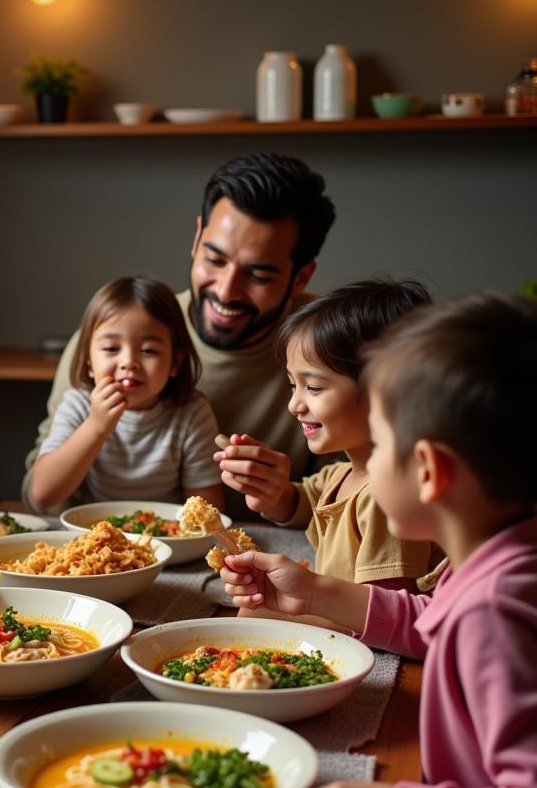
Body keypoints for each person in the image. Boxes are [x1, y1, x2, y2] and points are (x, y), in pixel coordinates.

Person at [219, 293, 537, 788]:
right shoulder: (495, 561)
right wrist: (316, 594)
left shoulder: (497, 609)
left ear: (427, 472)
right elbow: (429, 626)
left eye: (381, 442)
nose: (364, 463)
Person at [23, 152, 337, 517]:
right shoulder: (108, 337)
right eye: (215, 260)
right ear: (197, 238)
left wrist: (288, 499)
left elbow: (357, 488)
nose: (225, 291)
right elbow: (40, 492)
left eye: (258, 275)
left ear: (300, 278)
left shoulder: (328, 346)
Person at [215, 277, 441, 597]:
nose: (294, 405)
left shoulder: (388, 496)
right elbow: (307, 501)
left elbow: (383, 614)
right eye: (294, 385)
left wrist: (285, 601)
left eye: (315, 387)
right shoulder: (341, 475)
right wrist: (274, 494)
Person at [30, 276, 223, 511]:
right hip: (94, 537)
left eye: (148, 350)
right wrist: (96, 426)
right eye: (111, 349)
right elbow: (43, 494)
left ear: (175, 361)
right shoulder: (79, 404)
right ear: (89, 362)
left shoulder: (192, 412)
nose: (129, 362)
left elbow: (209, 510)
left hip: (167, 538)